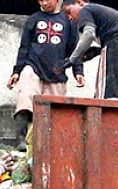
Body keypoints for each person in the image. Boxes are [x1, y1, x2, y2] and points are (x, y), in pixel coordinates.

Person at [8, 0, 86, 151]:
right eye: (41, 0)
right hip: (33, 66)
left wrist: (78, 72)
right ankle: (20, 139)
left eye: (47, 0)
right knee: (25, 97)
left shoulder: (68, 22)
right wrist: (17, 71)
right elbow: (24, 47)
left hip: (57, 72)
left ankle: (48, 147)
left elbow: (74, 49)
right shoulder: (33, 19)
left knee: (54, 113)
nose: (44, 3)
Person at [59, 0, 118, 101]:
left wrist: (72, 60)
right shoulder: (108, 15)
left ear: (80, 2)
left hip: (117, 42)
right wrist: (97, 51)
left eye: (68, 12)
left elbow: (89, 34)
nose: (70, 18)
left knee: (107, 98)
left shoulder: (86, 9)